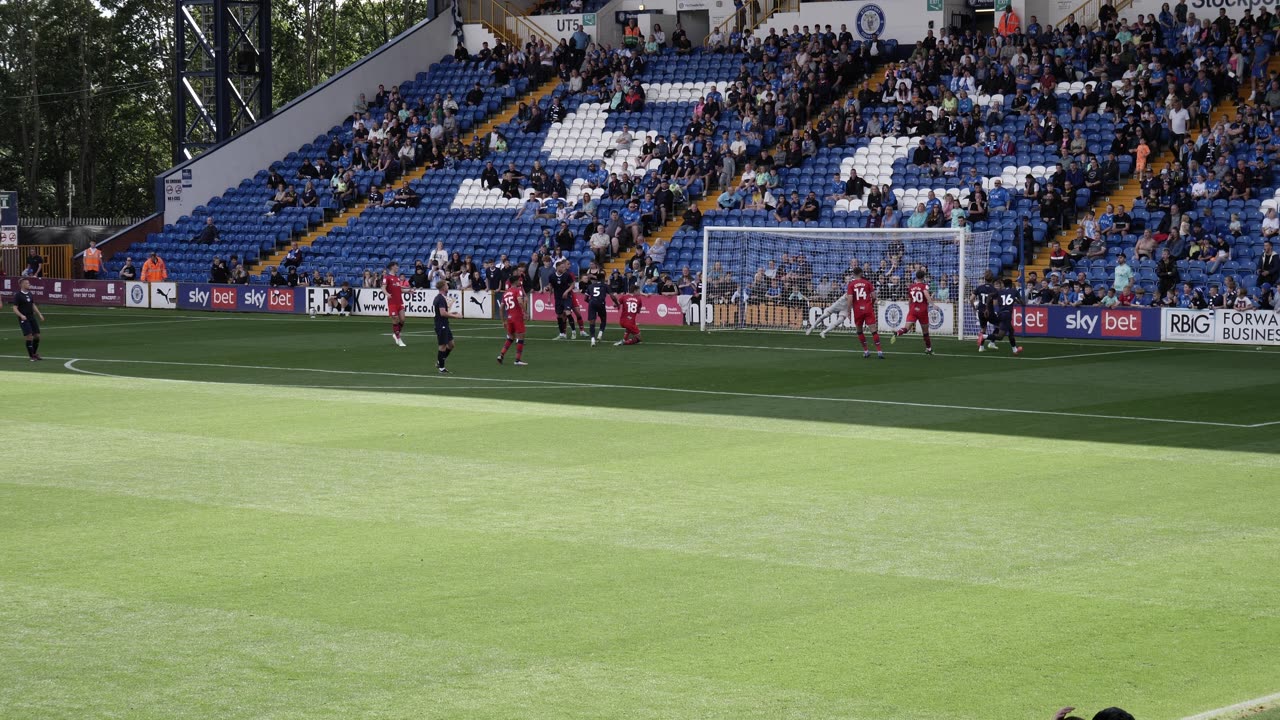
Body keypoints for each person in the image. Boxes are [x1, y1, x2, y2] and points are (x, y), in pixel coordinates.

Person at [891, 269, 933, 355]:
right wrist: (931, 303)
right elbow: (925, 292)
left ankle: (898, 332)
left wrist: (910, 309)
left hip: (913, 310)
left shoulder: (911, 287)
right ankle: (928, 349)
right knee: (925, 332)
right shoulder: (925, 286)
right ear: (923, 277)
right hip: (922, 311)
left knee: (906, 328)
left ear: (916, 277)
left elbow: (909, 300)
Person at [844, 266, 882, 359]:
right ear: (861, 273)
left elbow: (850, 299)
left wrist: (848, 311)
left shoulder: (851, 284)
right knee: (873, 330)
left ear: (853, 274)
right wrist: (871, 304)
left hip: (858, 310)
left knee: (859, 331)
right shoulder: (868, 283)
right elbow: (873, 296)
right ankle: (879, 351)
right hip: (868, 309)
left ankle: (866, 351)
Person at [496, 271, 528, 366]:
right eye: (519, 281)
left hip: (509, 318)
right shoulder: (517, 290)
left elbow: (501, 308)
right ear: (515, 282)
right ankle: (517, 360)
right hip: (517, 317)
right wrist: (525, 312)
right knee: (520, 337)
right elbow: (520, 302)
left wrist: (503, 321)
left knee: (511, 337)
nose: (520, 282)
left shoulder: (506, 293)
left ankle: (501, 355)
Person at [986, 277, 1024, 355]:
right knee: (1000, 336)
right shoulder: (1014, 291)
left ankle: (1014, 350)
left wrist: (987, 307)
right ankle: (983, 336)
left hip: (1001, 313)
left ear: (1004, 284)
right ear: (1011, 284)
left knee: (1011, 331)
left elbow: (990, 295)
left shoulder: (1000, 291)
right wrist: (1020, 302)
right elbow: (1023, 303)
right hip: (1006, 315)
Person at [10, 277, 45, 361]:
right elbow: (14, 308)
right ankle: (31, 356)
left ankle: (34, 353)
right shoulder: (18, 295)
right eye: (27, 283)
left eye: (29, 283)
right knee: (29, 336)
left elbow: (33, 305)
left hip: (31, 317)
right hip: (24, 318)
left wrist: (39, 314)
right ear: (22, 284)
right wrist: (21, 315)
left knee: (37, 336)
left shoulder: (29, 293)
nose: (29, 284)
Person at [548, 259, 583, 339]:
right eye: (562, 267)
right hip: (558, 298)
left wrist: (566, 291)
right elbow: (550, 287)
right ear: (557, 268)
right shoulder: (552, 276)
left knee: (567, 313)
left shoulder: (567, 275)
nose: (564, 268)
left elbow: (572, 285)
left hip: (567, 297)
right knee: (559, 316)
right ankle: (562, 334)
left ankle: (573, 332)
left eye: (564, 267)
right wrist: (549, 298)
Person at [432, 280, 460, 373]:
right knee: (442, 346)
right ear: (443, 287)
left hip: (444, 324)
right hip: (441, 325)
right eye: (446, 285)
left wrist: (452, 313)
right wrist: (455, 316)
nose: (448, 287)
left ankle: (440, 361)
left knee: (451, 345)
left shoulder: (440, 298)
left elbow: (442, 312)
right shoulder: (440, 298)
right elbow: (442, 313)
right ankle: (441, 368)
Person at [583, 271, 615, 346]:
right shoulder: (605, 285)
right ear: (603, 279)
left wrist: (591, 302)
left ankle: (592, 340)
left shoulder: (591, 286)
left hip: (592, 303)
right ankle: (600, 334)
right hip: (601, 303)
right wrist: (617, 303)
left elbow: (585, 298)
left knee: (592, 322)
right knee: (603, 319)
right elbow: (612, 296)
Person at [383, 261, 409, 347]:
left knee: (402, 320)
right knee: (395, 319)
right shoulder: (386, 277)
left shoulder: (397, 278)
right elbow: (383, 288)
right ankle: (399, 338)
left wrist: (409, 291)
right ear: (392, 267)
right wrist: (387, 294)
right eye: (396, 266)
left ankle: (396, 334)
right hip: (392, 302)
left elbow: (400, 290)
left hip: (399, 302)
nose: (397, 268)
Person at [972, 270, 998, 351]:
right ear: (992, 279)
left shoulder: (979, 288)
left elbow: (971, 298)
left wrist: (974, 307)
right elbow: (995, 304)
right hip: (989, 311)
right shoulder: (994, 289)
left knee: (983, 329)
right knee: (999, 325)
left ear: (984, 279)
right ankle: (992, 342)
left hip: (980, 311)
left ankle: (981, 347)